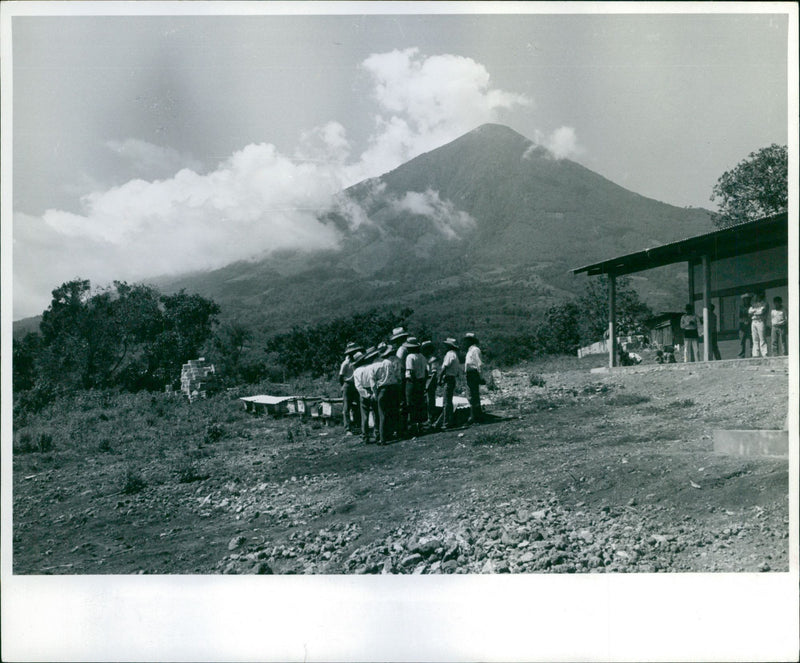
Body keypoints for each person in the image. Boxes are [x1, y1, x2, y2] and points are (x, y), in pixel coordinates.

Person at [373, 344, 401, 445]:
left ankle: (382, 437)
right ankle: (387, 435)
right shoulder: (389, 363)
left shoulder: (376, 364)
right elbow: (396, 376)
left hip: (382, 389)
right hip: (391, 388)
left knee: (382, 414)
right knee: (391, 412)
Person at [353, 347, 380, 444]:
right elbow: (374, 381)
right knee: (376, 413)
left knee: (364, 416)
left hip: (363, 392)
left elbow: (358, 386)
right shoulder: (370, 367)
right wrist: (373, 393)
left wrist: (366, 394)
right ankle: (377, 434)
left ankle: (365, 436)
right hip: (373, 390)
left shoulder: (356, 371)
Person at [436, 338, 461, 429]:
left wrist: (439, 378)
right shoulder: (455, 355)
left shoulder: (450, 354)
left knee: (446, 402)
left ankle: (446, 422)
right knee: (448, 401)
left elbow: (445, 367)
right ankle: (448, 421)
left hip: (448, 378)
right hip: (452, 378)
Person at [404, 337, 427, 436]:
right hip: (421, 381)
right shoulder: (422, 356)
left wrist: (414, 383)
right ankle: (419, 425)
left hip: (412, 382)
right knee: (419, 403)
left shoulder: (410, 357)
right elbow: (426, 371)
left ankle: (413, 427)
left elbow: (411, 371)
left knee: (411, 404)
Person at [338, 342, 363, 433]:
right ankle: (347, 428)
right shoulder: (345, 363)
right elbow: (340, 376)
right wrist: (343, 386)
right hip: (348, 385)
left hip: (356, 384)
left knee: (358, 405)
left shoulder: (357, 361)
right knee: (346, 407)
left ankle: (358, 425)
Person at [390, 327, 409, 436]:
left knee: (400, 402)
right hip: (406, 376)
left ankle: (401, 428)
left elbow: (399, 365)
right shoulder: (407, 348)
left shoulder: (401, 350)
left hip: (401, 376)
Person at [463, 332, 484, 424]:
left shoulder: (475, 350)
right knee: (472, 395)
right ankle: (476, 415)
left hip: (473, 373)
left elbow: (479, 364)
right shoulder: (470, 350)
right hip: (470, 373)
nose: (466, 342)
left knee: (473, 395)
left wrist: (480, 377)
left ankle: (473, 417)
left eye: (468, 340)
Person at [421, 340, 440, 427]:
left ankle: (431, 418)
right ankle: (429, 417)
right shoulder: (425, 359)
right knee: (427, 400)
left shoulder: (433, 360)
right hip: (426, 380)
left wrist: (428, 384)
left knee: (430, 400)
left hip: (430, 381)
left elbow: (434, 373)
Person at [748, 292, 769, 358]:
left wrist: (754, 311)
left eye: (757, 296)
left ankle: (764, 353)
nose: (756, 298)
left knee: (762, 338)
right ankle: (755, 354)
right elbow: (749, 311)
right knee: (754, 338)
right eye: (755, 296)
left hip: (760, 321)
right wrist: (755, 311)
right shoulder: (753, 304)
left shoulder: (764, 303)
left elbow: (761, 311)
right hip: (754, 321)